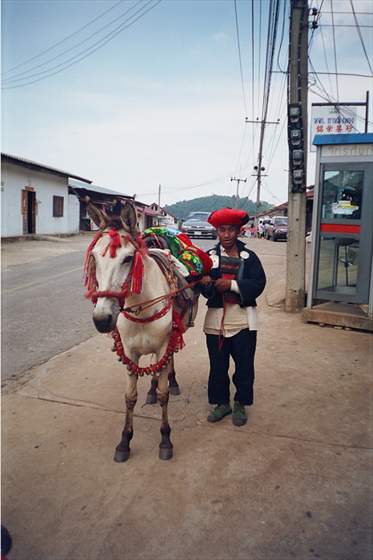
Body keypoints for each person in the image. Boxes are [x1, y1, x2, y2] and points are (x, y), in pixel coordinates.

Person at [199, 208, 266, 426]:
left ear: (239, 231)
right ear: (217, 232)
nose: (226, 235)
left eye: (231, 230)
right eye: (222, 230)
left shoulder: (250, 257)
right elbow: (204, 290)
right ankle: (222, 403)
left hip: (243, 321)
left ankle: (240, 403)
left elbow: (259, 283)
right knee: (218, 366)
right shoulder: (208, 258)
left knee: (245, 365)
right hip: (216, 322)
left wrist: (233, 285)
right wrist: (206, 283)